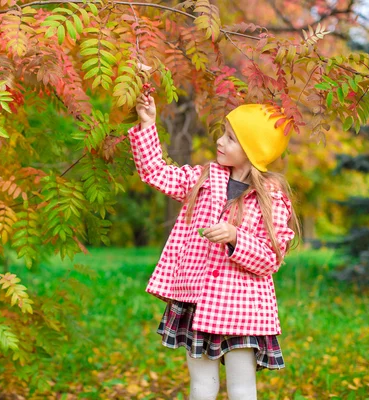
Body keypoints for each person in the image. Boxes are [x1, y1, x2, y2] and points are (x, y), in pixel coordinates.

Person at [129, 91, 301, 400]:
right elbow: (155, 172)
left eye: (231, 138)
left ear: (252, 150)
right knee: (201, 385)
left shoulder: (271, 197)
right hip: (197, 298)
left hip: (242, 307)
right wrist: (148, 122)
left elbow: (270, 259)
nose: (220, 141)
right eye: (223, 133)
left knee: (242, 386)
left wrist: (236, 238)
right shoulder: (203, 178)